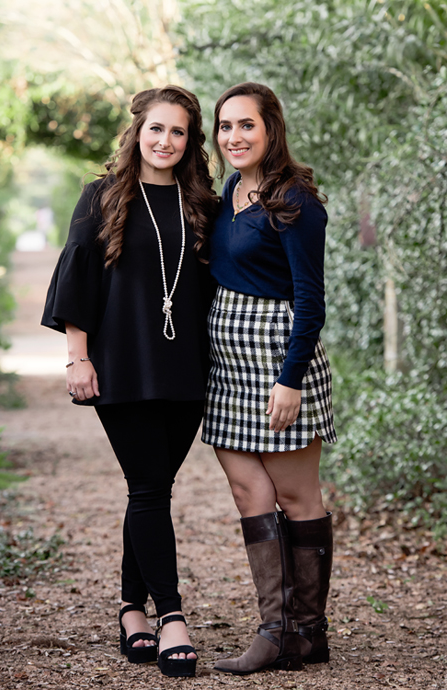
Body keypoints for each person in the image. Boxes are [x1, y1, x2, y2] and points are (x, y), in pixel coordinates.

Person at [41, 85, 219, 678]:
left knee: (154, 489)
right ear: (136, 132)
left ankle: (129, 609)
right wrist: (77, 357)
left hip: (188, 368)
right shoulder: (103, 196)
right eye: (156, 129)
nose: (165, 141)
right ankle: (171, 617)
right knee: (147, 487)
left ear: (191, 142)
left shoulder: (202, 204)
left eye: (178, 132)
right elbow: (77, 278)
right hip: (121, 365)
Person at [201, 82, 336, 675]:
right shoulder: (231, 189)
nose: (234, 137)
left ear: (270, 129)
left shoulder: (297, 202)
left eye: (246, 126)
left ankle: (306, 632)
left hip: (279, 360)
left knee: (298, 495)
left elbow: (310, 300)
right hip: (228, 365)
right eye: (225, 127)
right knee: (245, 488)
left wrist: (290, 378)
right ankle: (277, 629)